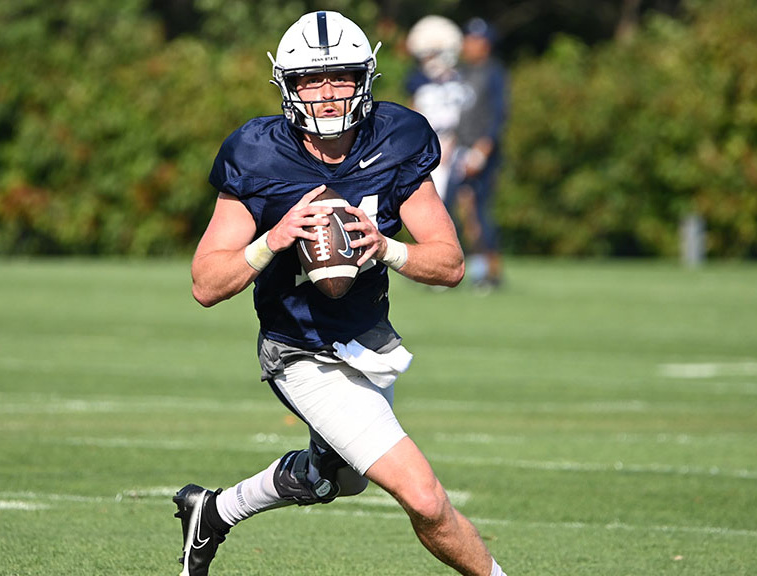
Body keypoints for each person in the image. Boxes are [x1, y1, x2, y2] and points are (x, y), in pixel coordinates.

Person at [176, 10, 508, 576]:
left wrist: (387, 248)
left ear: (366, 80)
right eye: (311, 79)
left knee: (338, 479)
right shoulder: (257, 153)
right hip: (300, 350)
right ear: (287, 84)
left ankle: (213, 512)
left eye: (341, 78)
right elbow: (206, 283)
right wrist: (273, 241)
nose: (327, 94)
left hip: (366, 340)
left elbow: (449, 262)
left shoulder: (398, 137)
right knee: (425, 498)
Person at [450, 18, 509, 291]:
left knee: (480, 212)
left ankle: (490, 272)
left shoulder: (493, 73)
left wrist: (482, 151)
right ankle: (470, 269)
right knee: (459, 210)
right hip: (460, 150)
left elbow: (498, 116)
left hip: (481, 152)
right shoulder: (461, 72)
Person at [403, 15, 469, 202]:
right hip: (431, 143)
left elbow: (465, 117)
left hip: (456, 145)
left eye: (431, 55)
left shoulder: (459, 81)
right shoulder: (419, 83)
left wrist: (455, 140)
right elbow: (414, 113)